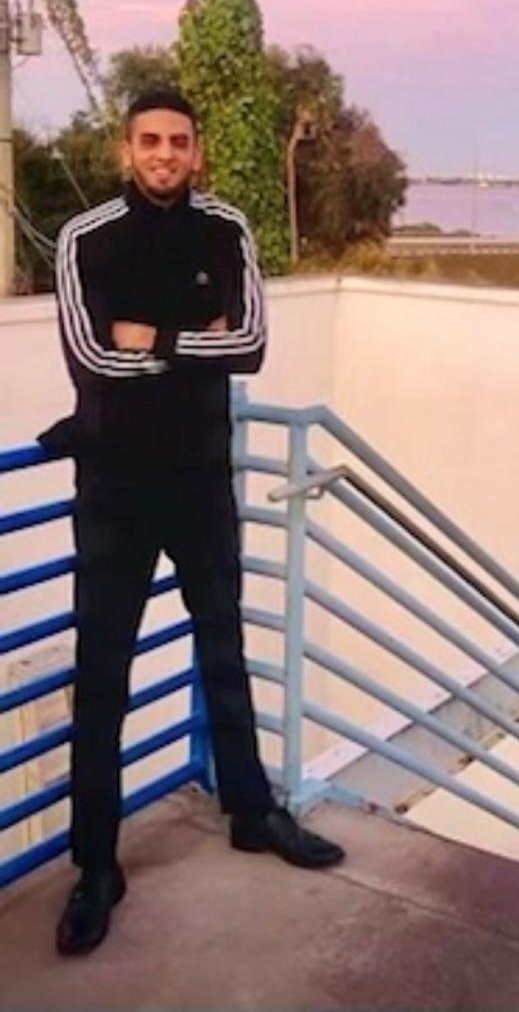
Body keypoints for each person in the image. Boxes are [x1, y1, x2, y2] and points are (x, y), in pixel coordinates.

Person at [40, 89, 344, 958]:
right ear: (125, 149)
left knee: (223, 647)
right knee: (104, 677)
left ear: (197, 152)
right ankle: (96, 866)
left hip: (202, 477)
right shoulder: (85, 238)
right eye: (150, 141)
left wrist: (155, 339)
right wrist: (178, 339)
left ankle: (252, 811)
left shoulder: (227, 230)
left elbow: (248, 344)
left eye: (178, 141)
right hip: (116, 488)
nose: (165, 154)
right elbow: (91, 351)